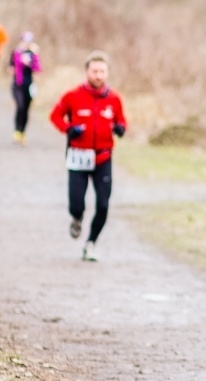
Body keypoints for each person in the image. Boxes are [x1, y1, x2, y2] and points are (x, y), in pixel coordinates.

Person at [49, 50, 127, 262]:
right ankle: (77, 217)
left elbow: (121, 121)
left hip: (103, 158)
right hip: (78, 156)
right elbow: (55, 115)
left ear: (107, 73)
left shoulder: (114, 99)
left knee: (103, 204)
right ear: (87, 72)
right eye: (95, 71)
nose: (99, 75)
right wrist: (68, 128)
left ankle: (91, 242)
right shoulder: (72, 96)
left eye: (102, 71)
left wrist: (120, 128)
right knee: (76, 203)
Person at [9, 32, 41, 145]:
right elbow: (11, 66)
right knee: (20, 106)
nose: (26, 43)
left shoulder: (33, 54)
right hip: (17, 85)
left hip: (29, 85)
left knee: (26, 109)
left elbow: (38, 69)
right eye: (25, 41)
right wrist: (20, 62)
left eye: (29, 41)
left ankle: (23, 132)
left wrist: (33, 60)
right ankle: (17, 130)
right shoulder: (16, 52)